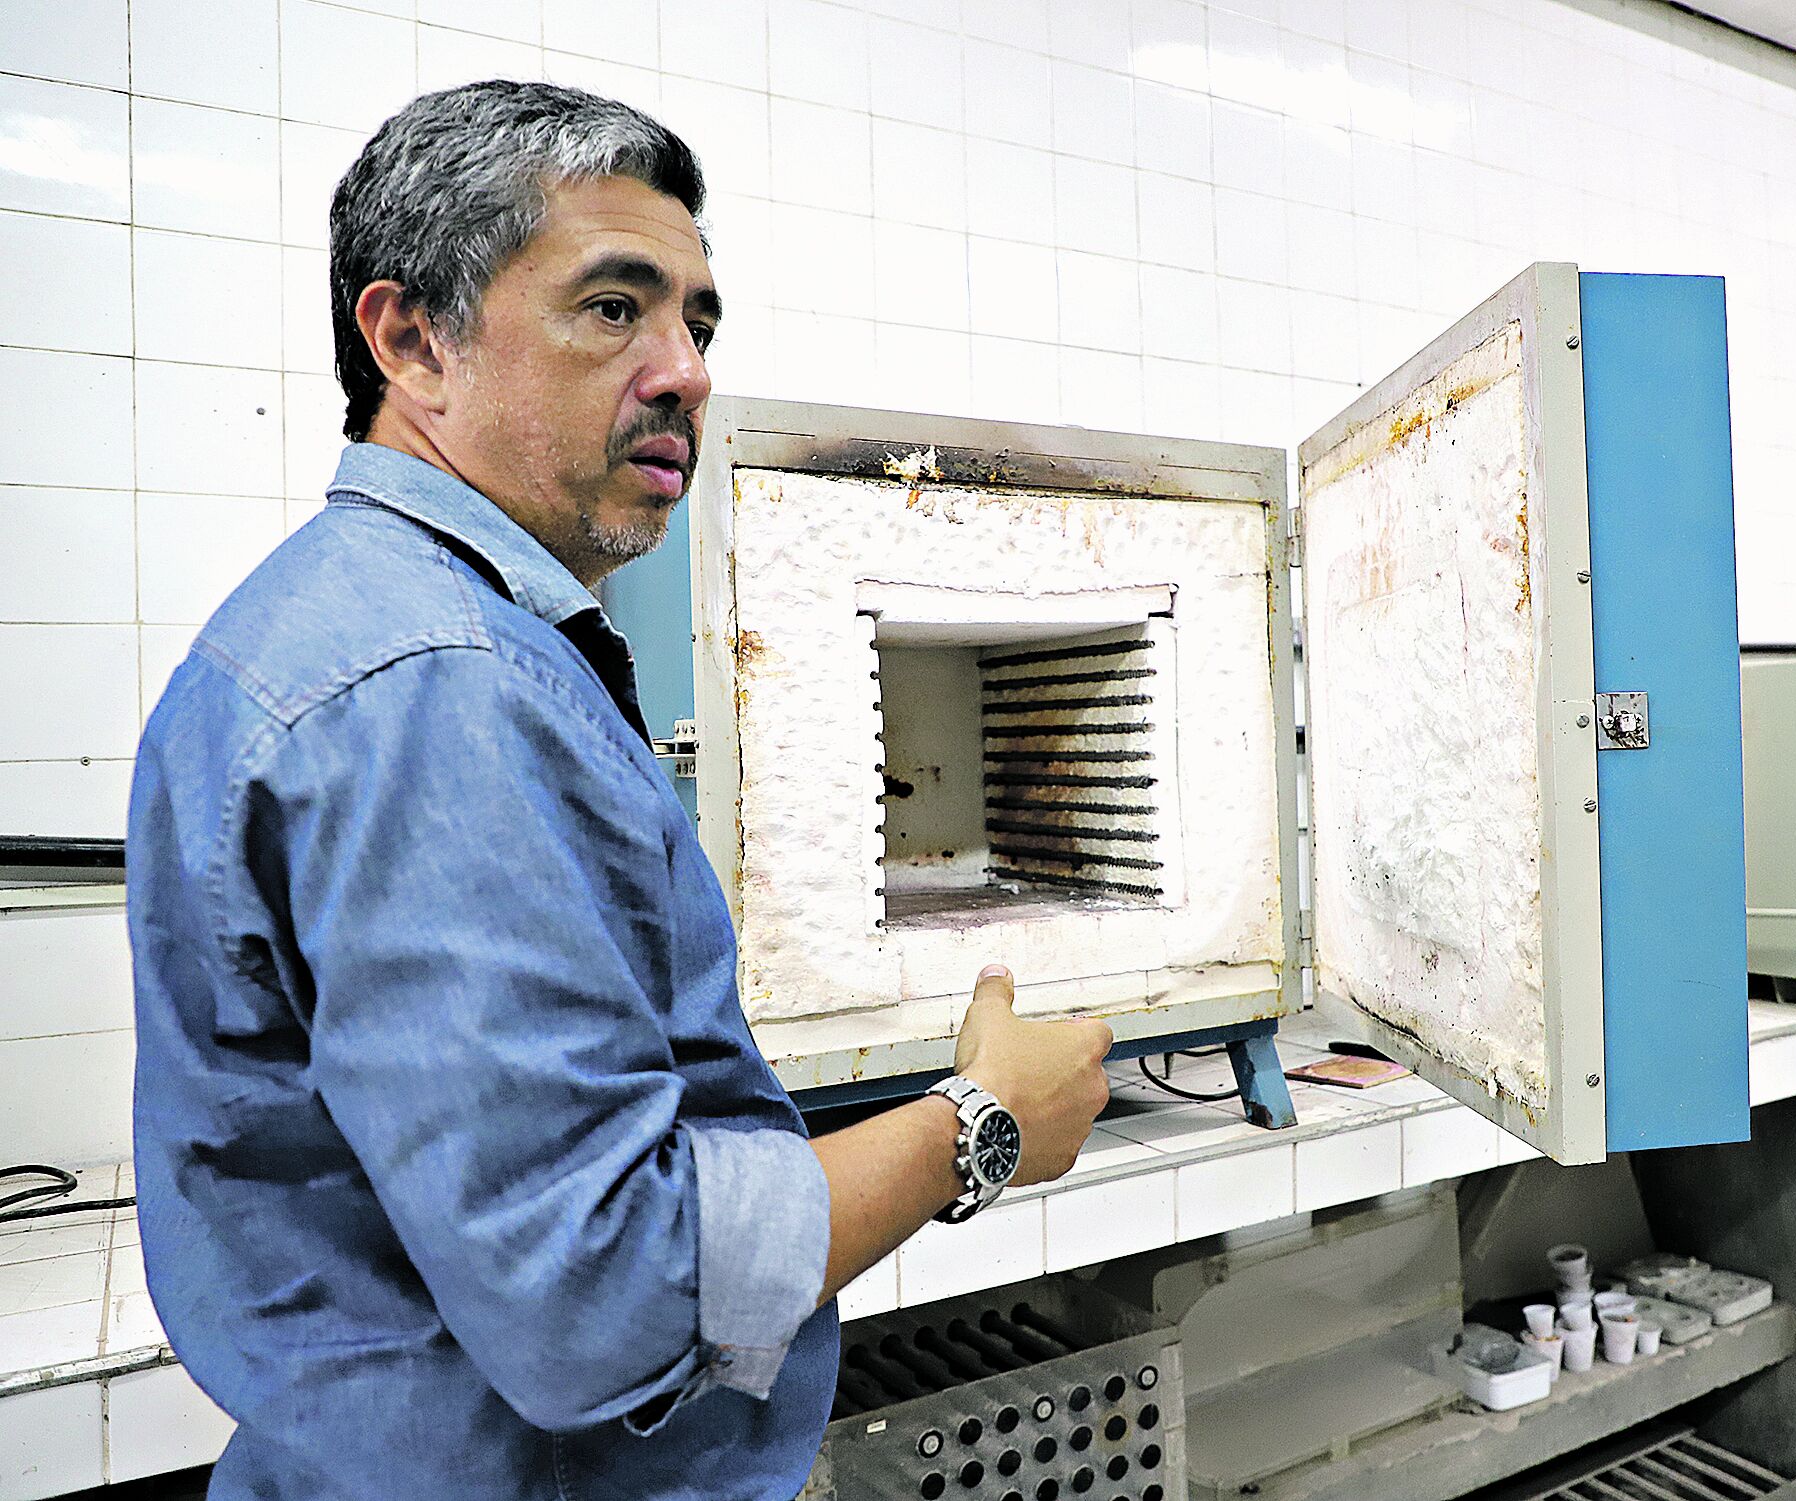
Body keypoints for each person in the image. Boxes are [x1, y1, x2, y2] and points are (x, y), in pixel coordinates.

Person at [126, 80, 1112, 1500]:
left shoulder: (349, 628)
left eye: (697, 321)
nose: (687, 370)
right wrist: (980, 1126)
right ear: (413, 340)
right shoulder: (438, 684)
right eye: (613, 308)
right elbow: (608, 1295)